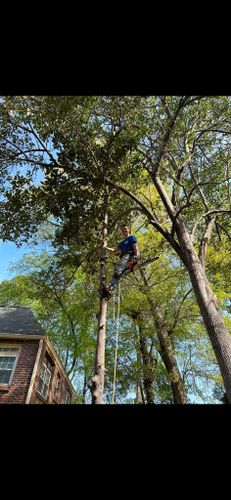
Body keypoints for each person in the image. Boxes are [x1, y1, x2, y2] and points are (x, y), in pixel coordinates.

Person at [102, 225, 140, 299]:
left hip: (129, 256)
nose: (124, 231)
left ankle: (111, 286)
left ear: (128, 230)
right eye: (123, 230)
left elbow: (136, 247)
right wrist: (105, 247)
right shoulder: (121, 243)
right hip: (124, 259)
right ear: (122, 232)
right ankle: (111, 289)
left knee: (118, 269)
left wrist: (137, 255)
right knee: (118, 274)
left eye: (125, 229)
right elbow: (114, 251)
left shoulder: (131, 238)